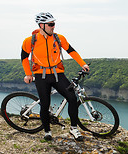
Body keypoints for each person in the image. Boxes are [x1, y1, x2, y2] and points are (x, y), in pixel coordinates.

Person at [21, 12, 89, 141]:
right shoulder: (30, 41)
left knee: (72, 98)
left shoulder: (59, 38)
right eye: (51, 24)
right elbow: (24, 57)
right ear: (41, 25)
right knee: (45, 104)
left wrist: (83, 64)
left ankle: (74, 128)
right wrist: (28, 74)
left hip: (58, 74)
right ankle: (47, 131)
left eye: (54, 24)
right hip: (41, 76)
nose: (53, 27)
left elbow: (71, 51)